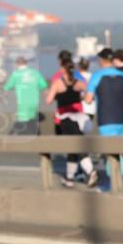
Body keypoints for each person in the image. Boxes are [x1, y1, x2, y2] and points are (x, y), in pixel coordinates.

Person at [84, 48, 123, 194]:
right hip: (122, 118)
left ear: (102, 60)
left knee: (109, 152)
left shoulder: (97, 76)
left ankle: (122, 182)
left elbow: (88, 99)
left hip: (106, 118)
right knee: (120, 151)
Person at [45, 53, 99, 189]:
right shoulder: (79, 82)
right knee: (73, 148)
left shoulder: (58, 83)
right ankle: (69, 178)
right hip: (80, 116)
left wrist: (55, 94)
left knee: (76, 145)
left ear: (62, 69)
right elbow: (89, 97)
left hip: (65, 117)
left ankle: (90, 171)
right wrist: (78, 97)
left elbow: (48, 100)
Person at [4, 56, 47, 136]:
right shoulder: (35, 73)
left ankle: (15, 139)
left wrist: (4, 97)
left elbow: (7, 88)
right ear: (26, 64)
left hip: (23, 103)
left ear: (17, 64)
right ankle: (38, 138)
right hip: (34, 102)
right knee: (33, 121)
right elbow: (44, 86)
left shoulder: (16, 74)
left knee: (22, 123)